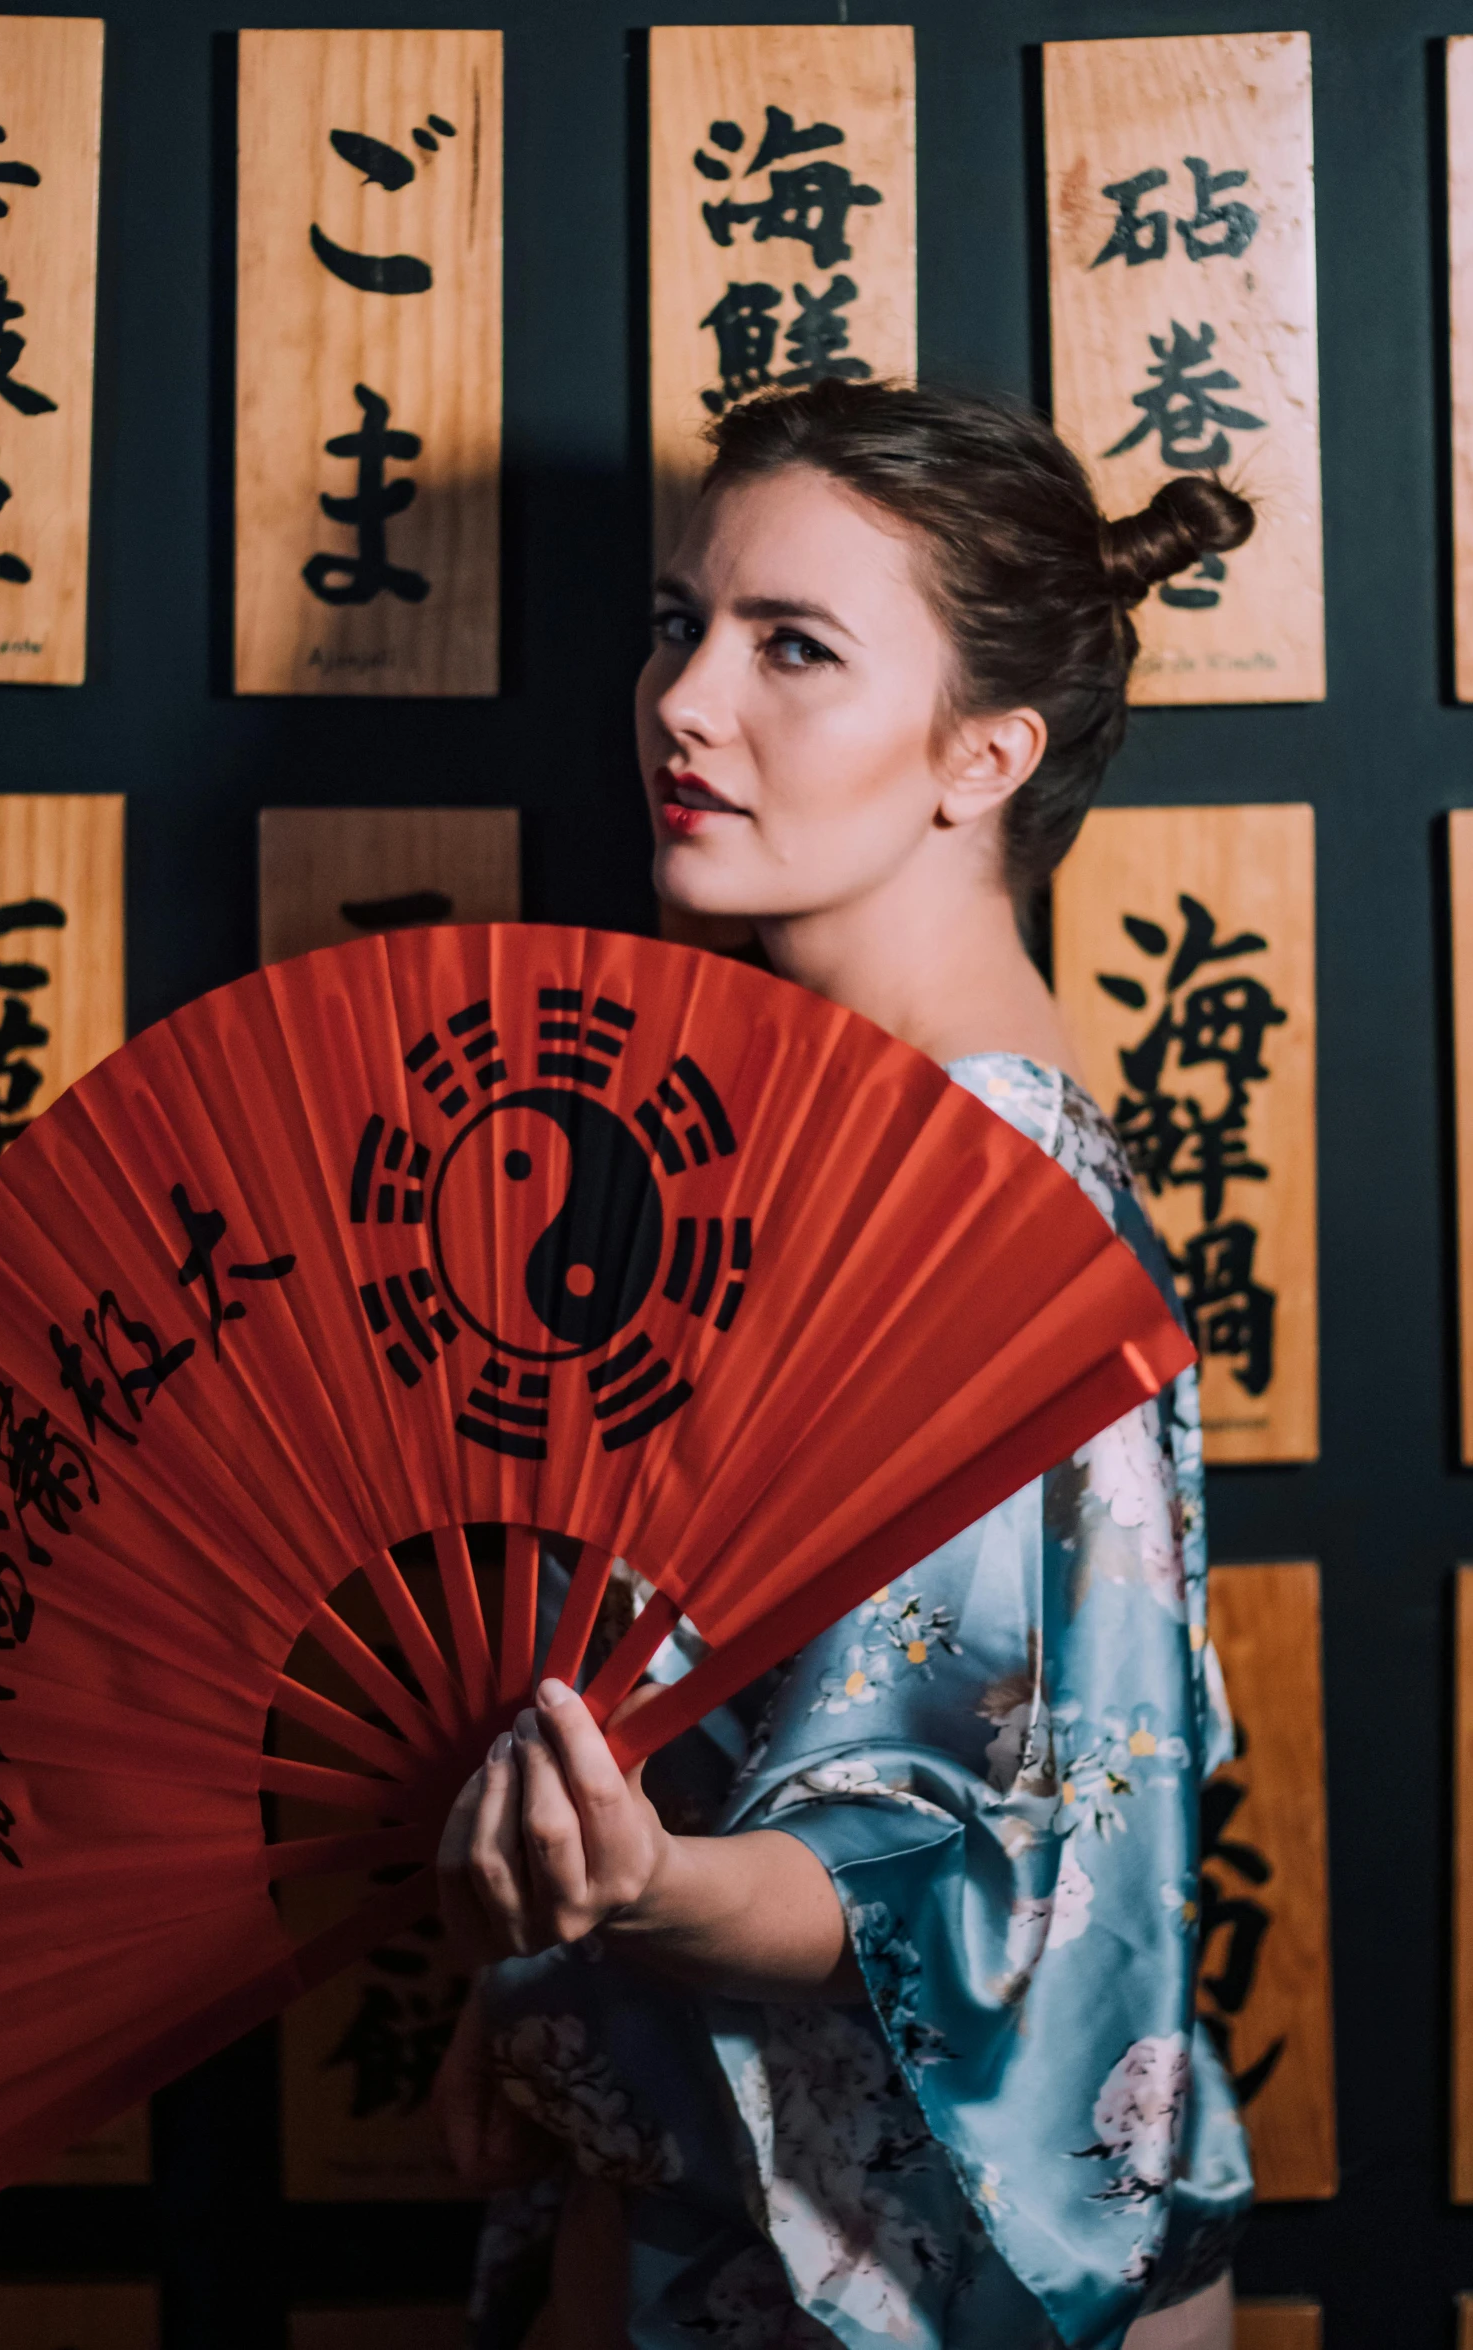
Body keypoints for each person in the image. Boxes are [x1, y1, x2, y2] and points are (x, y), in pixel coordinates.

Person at [427, 379, 1256, 2350]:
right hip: (706, 2228)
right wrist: (540, 1977)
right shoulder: (804, 1149)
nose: (687, 702)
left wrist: (617, 1891)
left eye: (793, 646)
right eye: (679, 623)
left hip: (938, 2277)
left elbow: (946, 1858)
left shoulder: (990, 1219)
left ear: (986, 752)